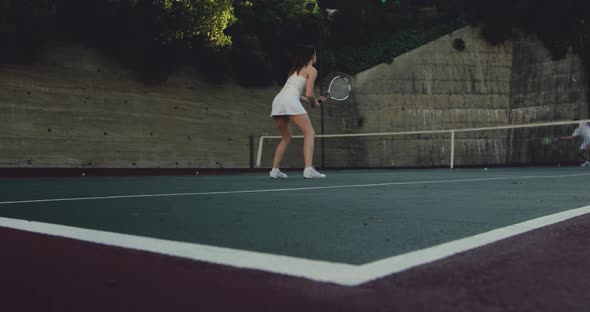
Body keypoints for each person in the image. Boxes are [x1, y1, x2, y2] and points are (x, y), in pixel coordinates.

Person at [269, 44, 327, 179]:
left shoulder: (294, 71)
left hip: (278, 101)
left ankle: (274, 170)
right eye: (315, 54)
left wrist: (315, 100)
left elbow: (296, 94)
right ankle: (308, 169)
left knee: (286, 137)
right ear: (312, 56)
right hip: (289, 101)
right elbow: (309, 93)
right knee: (309, 132)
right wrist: (314, 104)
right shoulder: (312, 70)